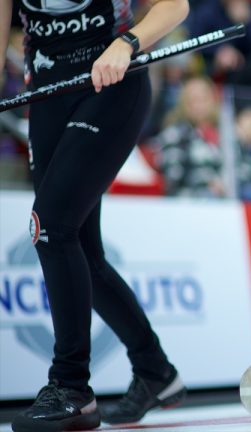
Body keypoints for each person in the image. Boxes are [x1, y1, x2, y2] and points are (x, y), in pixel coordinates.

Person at [1, 0, 189, 430]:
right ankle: (156, 371)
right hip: (47, 92)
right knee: (81, 249)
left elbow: (175, 6)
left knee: (51, 226)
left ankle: (71, 386)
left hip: (112, 83)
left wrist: (127, 41)